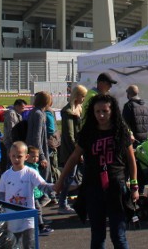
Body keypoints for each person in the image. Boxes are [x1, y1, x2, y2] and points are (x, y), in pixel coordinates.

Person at [55, 93, 139, 249]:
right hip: (94, 188)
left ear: (112, 111)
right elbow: (74, 157)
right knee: (97, 236)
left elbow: (131, 160)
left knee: (118, 235)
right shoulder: (88, 132)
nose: (101, 115)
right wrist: (61, 180)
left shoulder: (121, 131)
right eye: (97, 111)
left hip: (116, 187)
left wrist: (134, 185)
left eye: (105, 111)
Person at [0, 141, 54, 249]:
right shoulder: (5, 176)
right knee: (13, 246)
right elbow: (0, 197)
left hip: (28, 218)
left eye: (19, 156)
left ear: (26, 156)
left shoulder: (30, 173)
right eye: (13, 156)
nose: (16, 159)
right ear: (9, 155)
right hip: (11, 219)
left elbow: (43, 185)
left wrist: (55, 187)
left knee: (30, 245)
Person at [57, 84, 87, 213]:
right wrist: (77, 152)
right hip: (72, 150)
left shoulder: (78, 109)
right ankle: (62, 203)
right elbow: (69, 135)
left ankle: (78, 201)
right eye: (83, 96)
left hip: (78, 148)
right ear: (77, 96)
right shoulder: (68, 111)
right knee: (70, 176)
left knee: (79, 176)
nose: (84, 99)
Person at [26, 91, 53, 183]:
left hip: (31, 149)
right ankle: (46, 196)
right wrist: (42, 156)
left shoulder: (34, 112)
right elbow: (37, 137)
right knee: (43, 175)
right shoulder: (39, 114)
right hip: (38, 150)